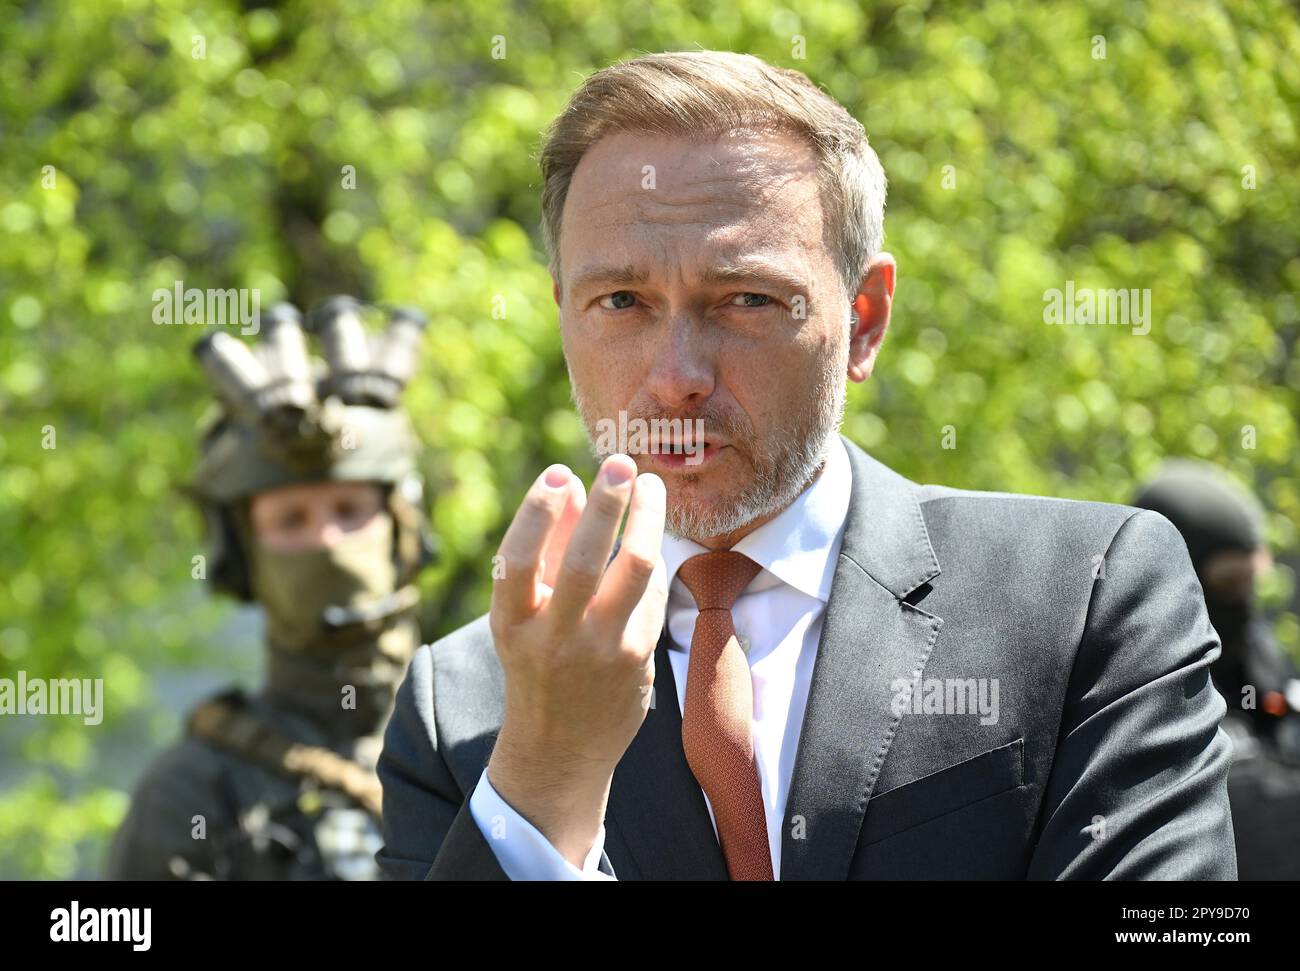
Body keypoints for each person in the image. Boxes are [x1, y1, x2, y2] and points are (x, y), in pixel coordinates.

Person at [377, 50, 1237, 880]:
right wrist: (544, 779)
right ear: (563, 315)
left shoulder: (1084, 597)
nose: (677, 376)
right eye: (622, 302)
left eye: (746, 298)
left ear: (863, 320)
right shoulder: (464, 708)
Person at [108, 296, 434, 880]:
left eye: (349, 509)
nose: (329, 542)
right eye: (291, 521)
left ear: (403, 526)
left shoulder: (505, 739)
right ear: (244, 556)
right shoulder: (196, 793)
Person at [1133, 461, 1300, 879]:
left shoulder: (1257, 656)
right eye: (1226, 584)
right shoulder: (1132, 692)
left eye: (1248, 581)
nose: (1241, 601)